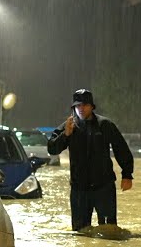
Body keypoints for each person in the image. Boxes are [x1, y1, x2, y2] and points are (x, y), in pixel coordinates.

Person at [47, 88, 135, 232]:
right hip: (79, 189)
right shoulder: (68, 126)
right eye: (78, 106)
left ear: (92, 106)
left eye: (84, 105)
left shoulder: (105, 125)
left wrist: (127, 175)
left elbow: (121, 149)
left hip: (104, 187)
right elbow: (52, 149)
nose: (81, 109)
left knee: (109, 231)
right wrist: (66, 135)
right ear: (74, 107)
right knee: (80, 232)